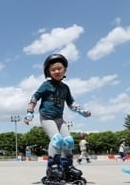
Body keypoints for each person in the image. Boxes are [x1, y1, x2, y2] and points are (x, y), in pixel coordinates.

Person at [23, 53, 91, 184]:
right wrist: (29, 113)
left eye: (59, 68)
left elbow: (71, 103)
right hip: (46, 117)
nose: (56, 71)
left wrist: (82, 111)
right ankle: (52, 168)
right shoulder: (46, 85)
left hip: (59, 119)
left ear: (65, 69)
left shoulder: (65, 88)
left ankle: (67, 167)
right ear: (48, 71)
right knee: (56, 140)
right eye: (53, 69)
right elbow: (34, 97)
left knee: (69, 141)